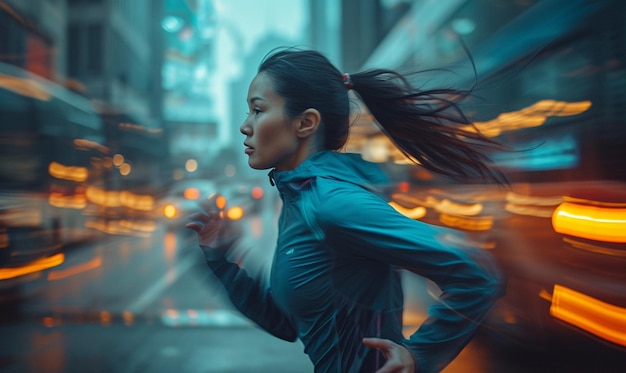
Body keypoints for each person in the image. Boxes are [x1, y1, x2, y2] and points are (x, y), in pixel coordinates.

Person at [186, 48, 506, 373]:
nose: (245, 126)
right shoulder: (301, 198)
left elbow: (476, 273)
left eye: (257, 110)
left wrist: (418, 355)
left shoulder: (331, 202)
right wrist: (222, 259)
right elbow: (289, 323)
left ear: (306, 123)